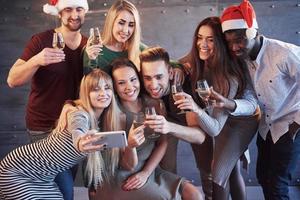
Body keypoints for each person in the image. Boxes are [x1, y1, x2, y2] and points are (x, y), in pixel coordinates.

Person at [6, 0, 89, 199]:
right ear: (59, 13)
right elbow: (12, 80)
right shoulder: (41, 41)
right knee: (65, 191)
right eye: (68, 9)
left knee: (64, 182)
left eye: (78, 9)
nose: (74, 15)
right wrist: (36, 60)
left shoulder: (89, 46)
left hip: (73, 128)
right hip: (43, 128)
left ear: (85, 11)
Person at [88, 58, 202, 200]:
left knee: (195, 194)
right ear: (114, 87)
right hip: (122, 175)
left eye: (133, 79)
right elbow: (126, 165)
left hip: (150, 169)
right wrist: (131, 146)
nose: (129, 87)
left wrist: (146, 172)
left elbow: (162, 143)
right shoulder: (115, 115)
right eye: (121, 83)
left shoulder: (156, 104)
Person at [0, 69, 121, 200]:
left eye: (107, 88)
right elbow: (77, 129)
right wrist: (80, 142)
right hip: (18, 170)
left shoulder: (100, 120)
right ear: (86, 93)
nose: (103, 93)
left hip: (45, 177)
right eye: (96, 89)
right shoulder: (78, 112)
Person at [221, 1, 300, 199]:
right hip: (267, 127)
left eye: (239, 40)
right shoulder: (242, 59)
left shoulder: (283, 53)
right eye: (229, 42)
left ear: (254, 32)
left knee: (277, 184)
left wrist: (297, 124)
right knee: (263, 177)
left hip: (290, 126)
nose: (234, 47)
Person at [177, 16, 260, 200]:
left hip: (242, 121)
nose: (202, 44)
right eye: (200, 37)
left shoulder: (228, 76)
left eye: (210, 39)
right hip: (223, 116)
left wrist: (195, 109)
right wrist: (177, 68)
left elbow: (214, 129)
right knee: (231, 170)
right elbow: (178, 62)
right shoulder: (200, 57)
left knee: (219, 172)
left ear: (221, 43)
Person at [139, 47, 206, 175]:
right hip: (166, 124)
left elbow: (200, 136)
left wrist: (168, 126)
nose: (153, 85)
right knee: (167, 170)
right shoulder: (138, 84)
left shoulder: (184, 88)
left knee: (208, 172)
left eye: (159, 77)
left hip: (208, 124)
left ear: (170, 73)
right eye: (147, 78)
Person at [83, 0, 183, 82]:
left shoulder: (138, 47)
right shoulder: (94, 50)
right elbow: (89, 84)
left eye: (131, 25)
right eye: (121, 23)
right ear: (111, 22)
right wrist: (92, 59)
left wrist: (178, 67)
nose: (126, 30)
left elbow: (163, 61)